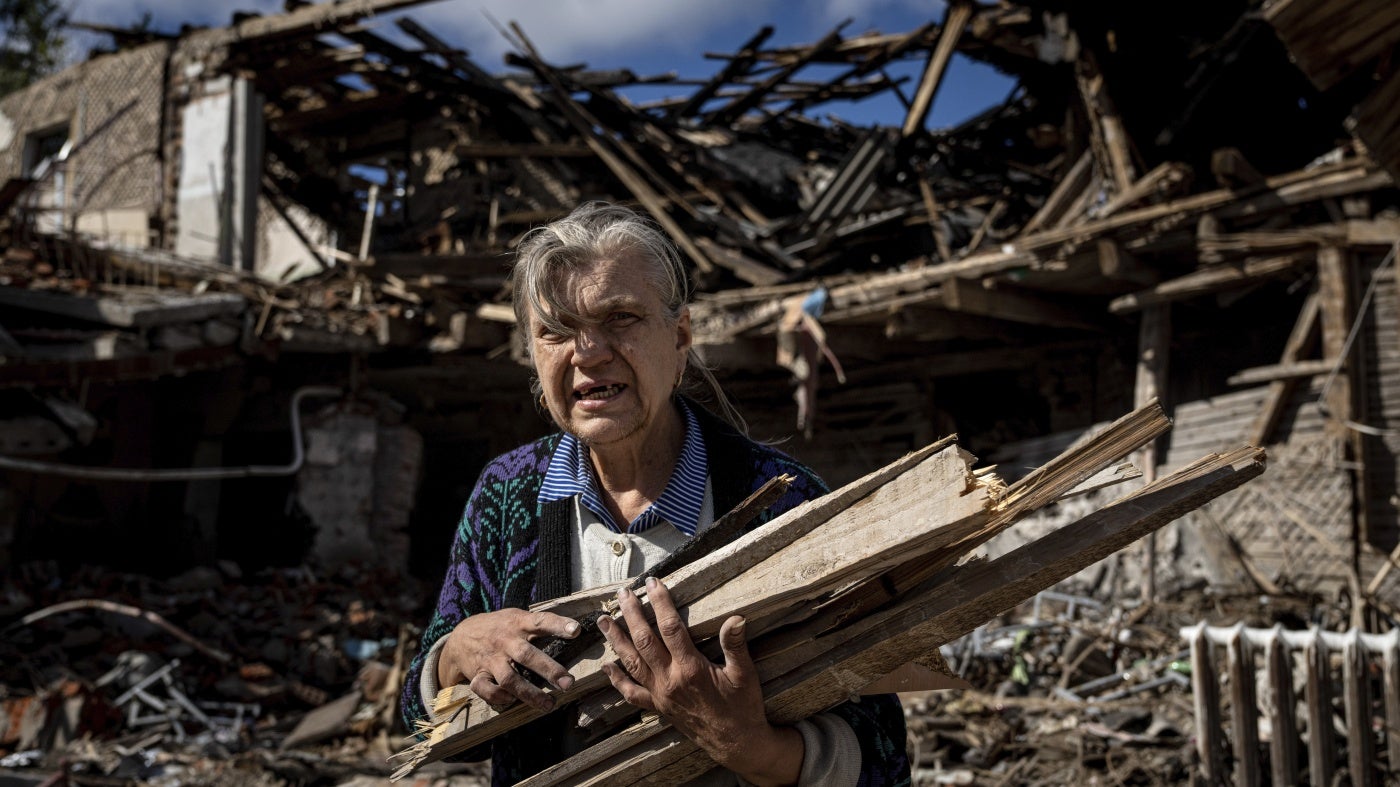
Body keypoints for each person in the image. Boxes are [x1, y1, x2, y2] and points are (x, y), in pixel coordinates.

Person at [400, 201, 910, 786]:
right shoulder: (506, 496)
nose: (588, 353)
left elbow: (886, 760)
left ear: (681, 335)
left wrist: (750, 746)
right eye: (556, 331)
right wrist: (454, 656)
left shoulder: (781, 503)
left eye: (620, 317)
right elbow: (419, 724)